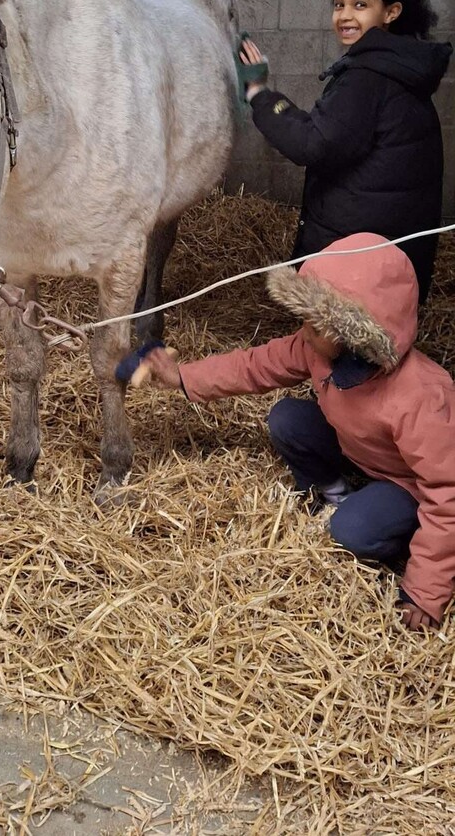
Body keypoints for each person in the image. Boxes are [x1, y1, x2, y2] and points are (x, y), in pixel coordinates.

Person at [141, 234, 455, 632]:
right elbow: (255, 366)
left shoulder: (421, 395)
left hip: (405, 483)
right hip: (357, 447)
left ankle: (391, 529)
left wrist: (426, 590)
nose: (303, 331)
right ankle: (334, 491)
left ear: (352, 335)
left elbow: (447, 492)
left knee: (350, 531)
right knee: (287, 418)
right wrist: (184, 377)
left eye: (315, 324)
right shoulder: (317, 349)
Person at [240, 0, 452, 303]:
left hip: (358, 263)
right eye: (339, 4)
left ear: (391, 12)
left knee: (343, 350)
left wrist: (260, 95)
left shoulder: (368, 77)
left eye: (360, 4)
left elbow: (313, 143)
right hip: (389, 260)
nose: (345, 15)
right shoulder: (400, 67)